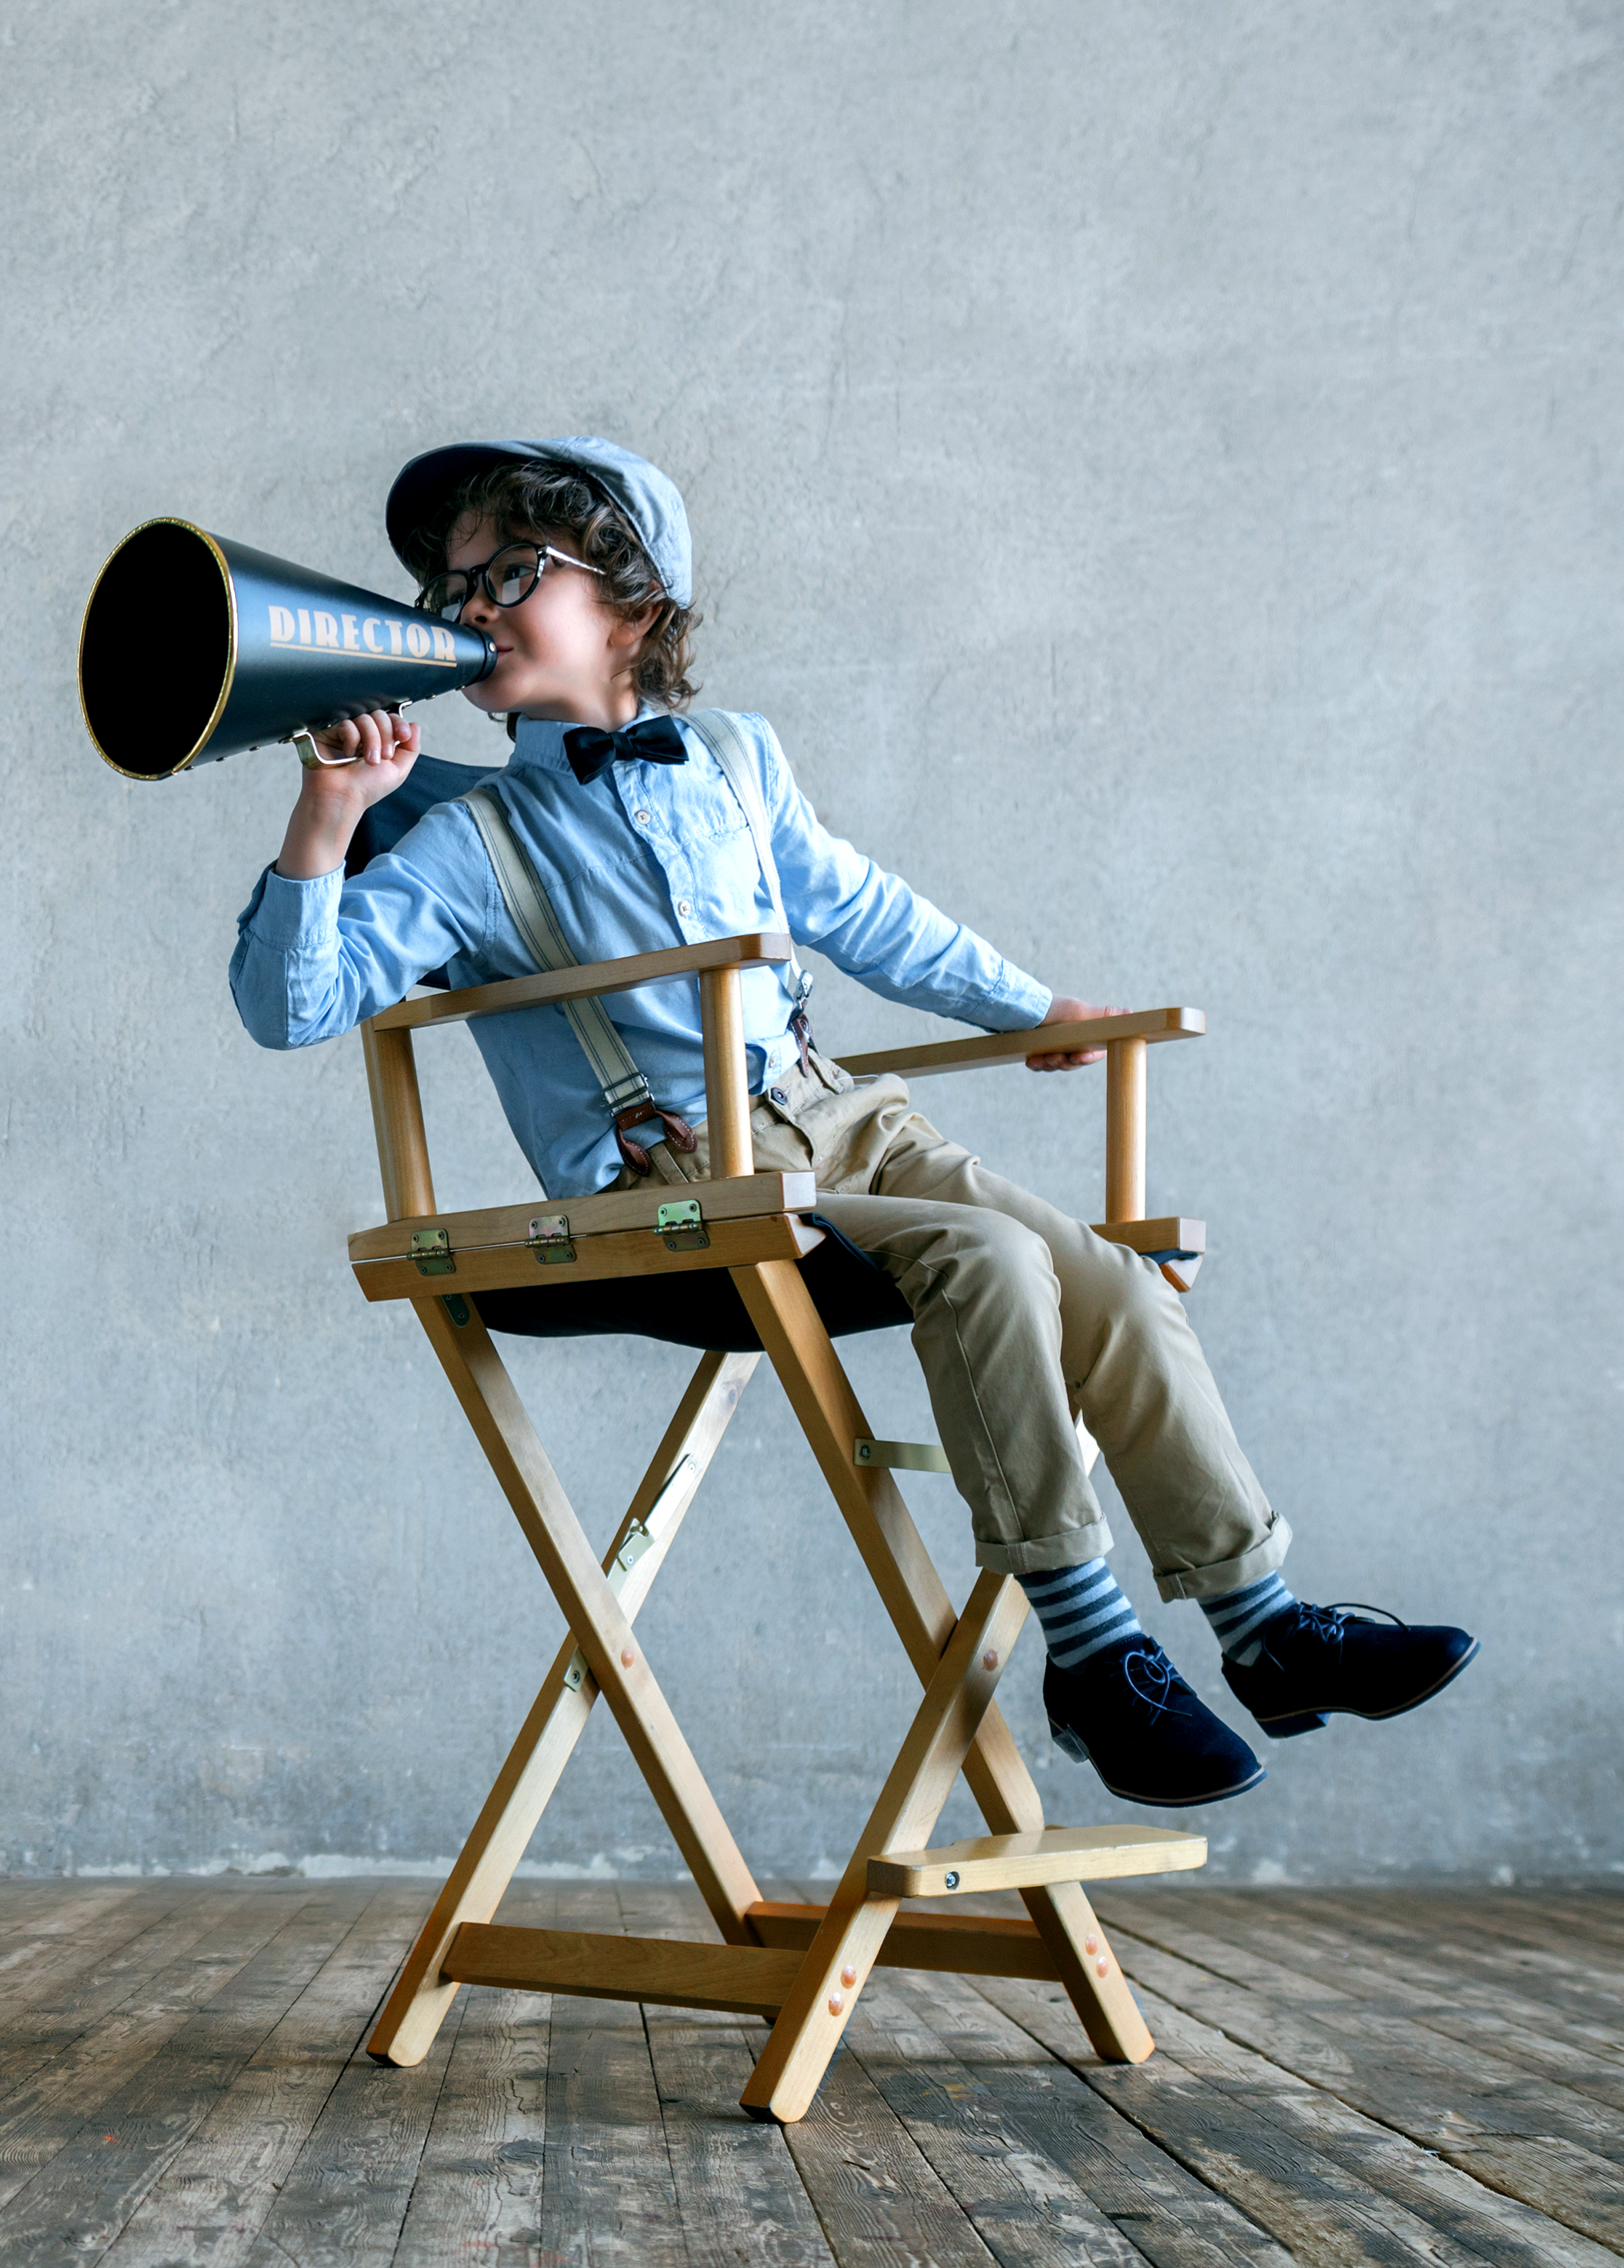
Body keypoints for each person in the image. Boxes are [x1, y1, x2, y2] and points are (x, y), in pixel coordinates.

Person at [228, 436, 1473, 1807]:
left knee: (1109, 1276)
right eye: (451, 586)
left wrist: (1027, 1007)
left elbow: (858, 905)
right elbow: (294, 1007)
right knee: (988, 1263)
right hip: (680, 1184)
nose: (468, 608)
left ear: (632, 600)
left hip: (849, 1122)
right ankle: (1093, 1647)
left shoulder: (737, 757)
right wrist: (331, 814)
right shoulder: (467, 840)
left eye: (510, 572)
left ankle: (1264, 1622)